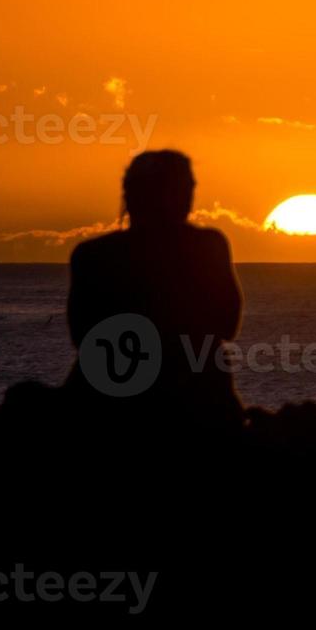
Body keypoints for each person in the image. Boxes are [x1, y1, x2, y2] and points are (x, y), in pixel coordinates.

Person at [66, 150, 244, 433]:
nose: (190, 195)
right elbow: (228, 323)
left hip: (105, 403)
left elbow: (82, 335)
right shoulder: (207, 246)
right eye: (184, 187)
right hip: (198, 401)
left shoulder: (91, 255)